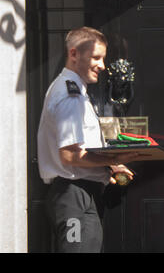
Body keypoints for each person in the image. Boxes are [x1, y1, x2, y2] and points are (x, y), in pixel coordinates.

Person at [37, 26, 136, 252]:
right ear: (73, 54)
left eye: (103, 58)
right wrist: (116, 157)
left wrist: (112, 164)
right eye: (96, 57)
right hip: (73, 195)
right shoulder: (69, 95)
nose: (102, 65)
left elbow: (81, 149)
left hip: (81, 194)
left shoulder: (77, 93)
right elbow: (71, 155)